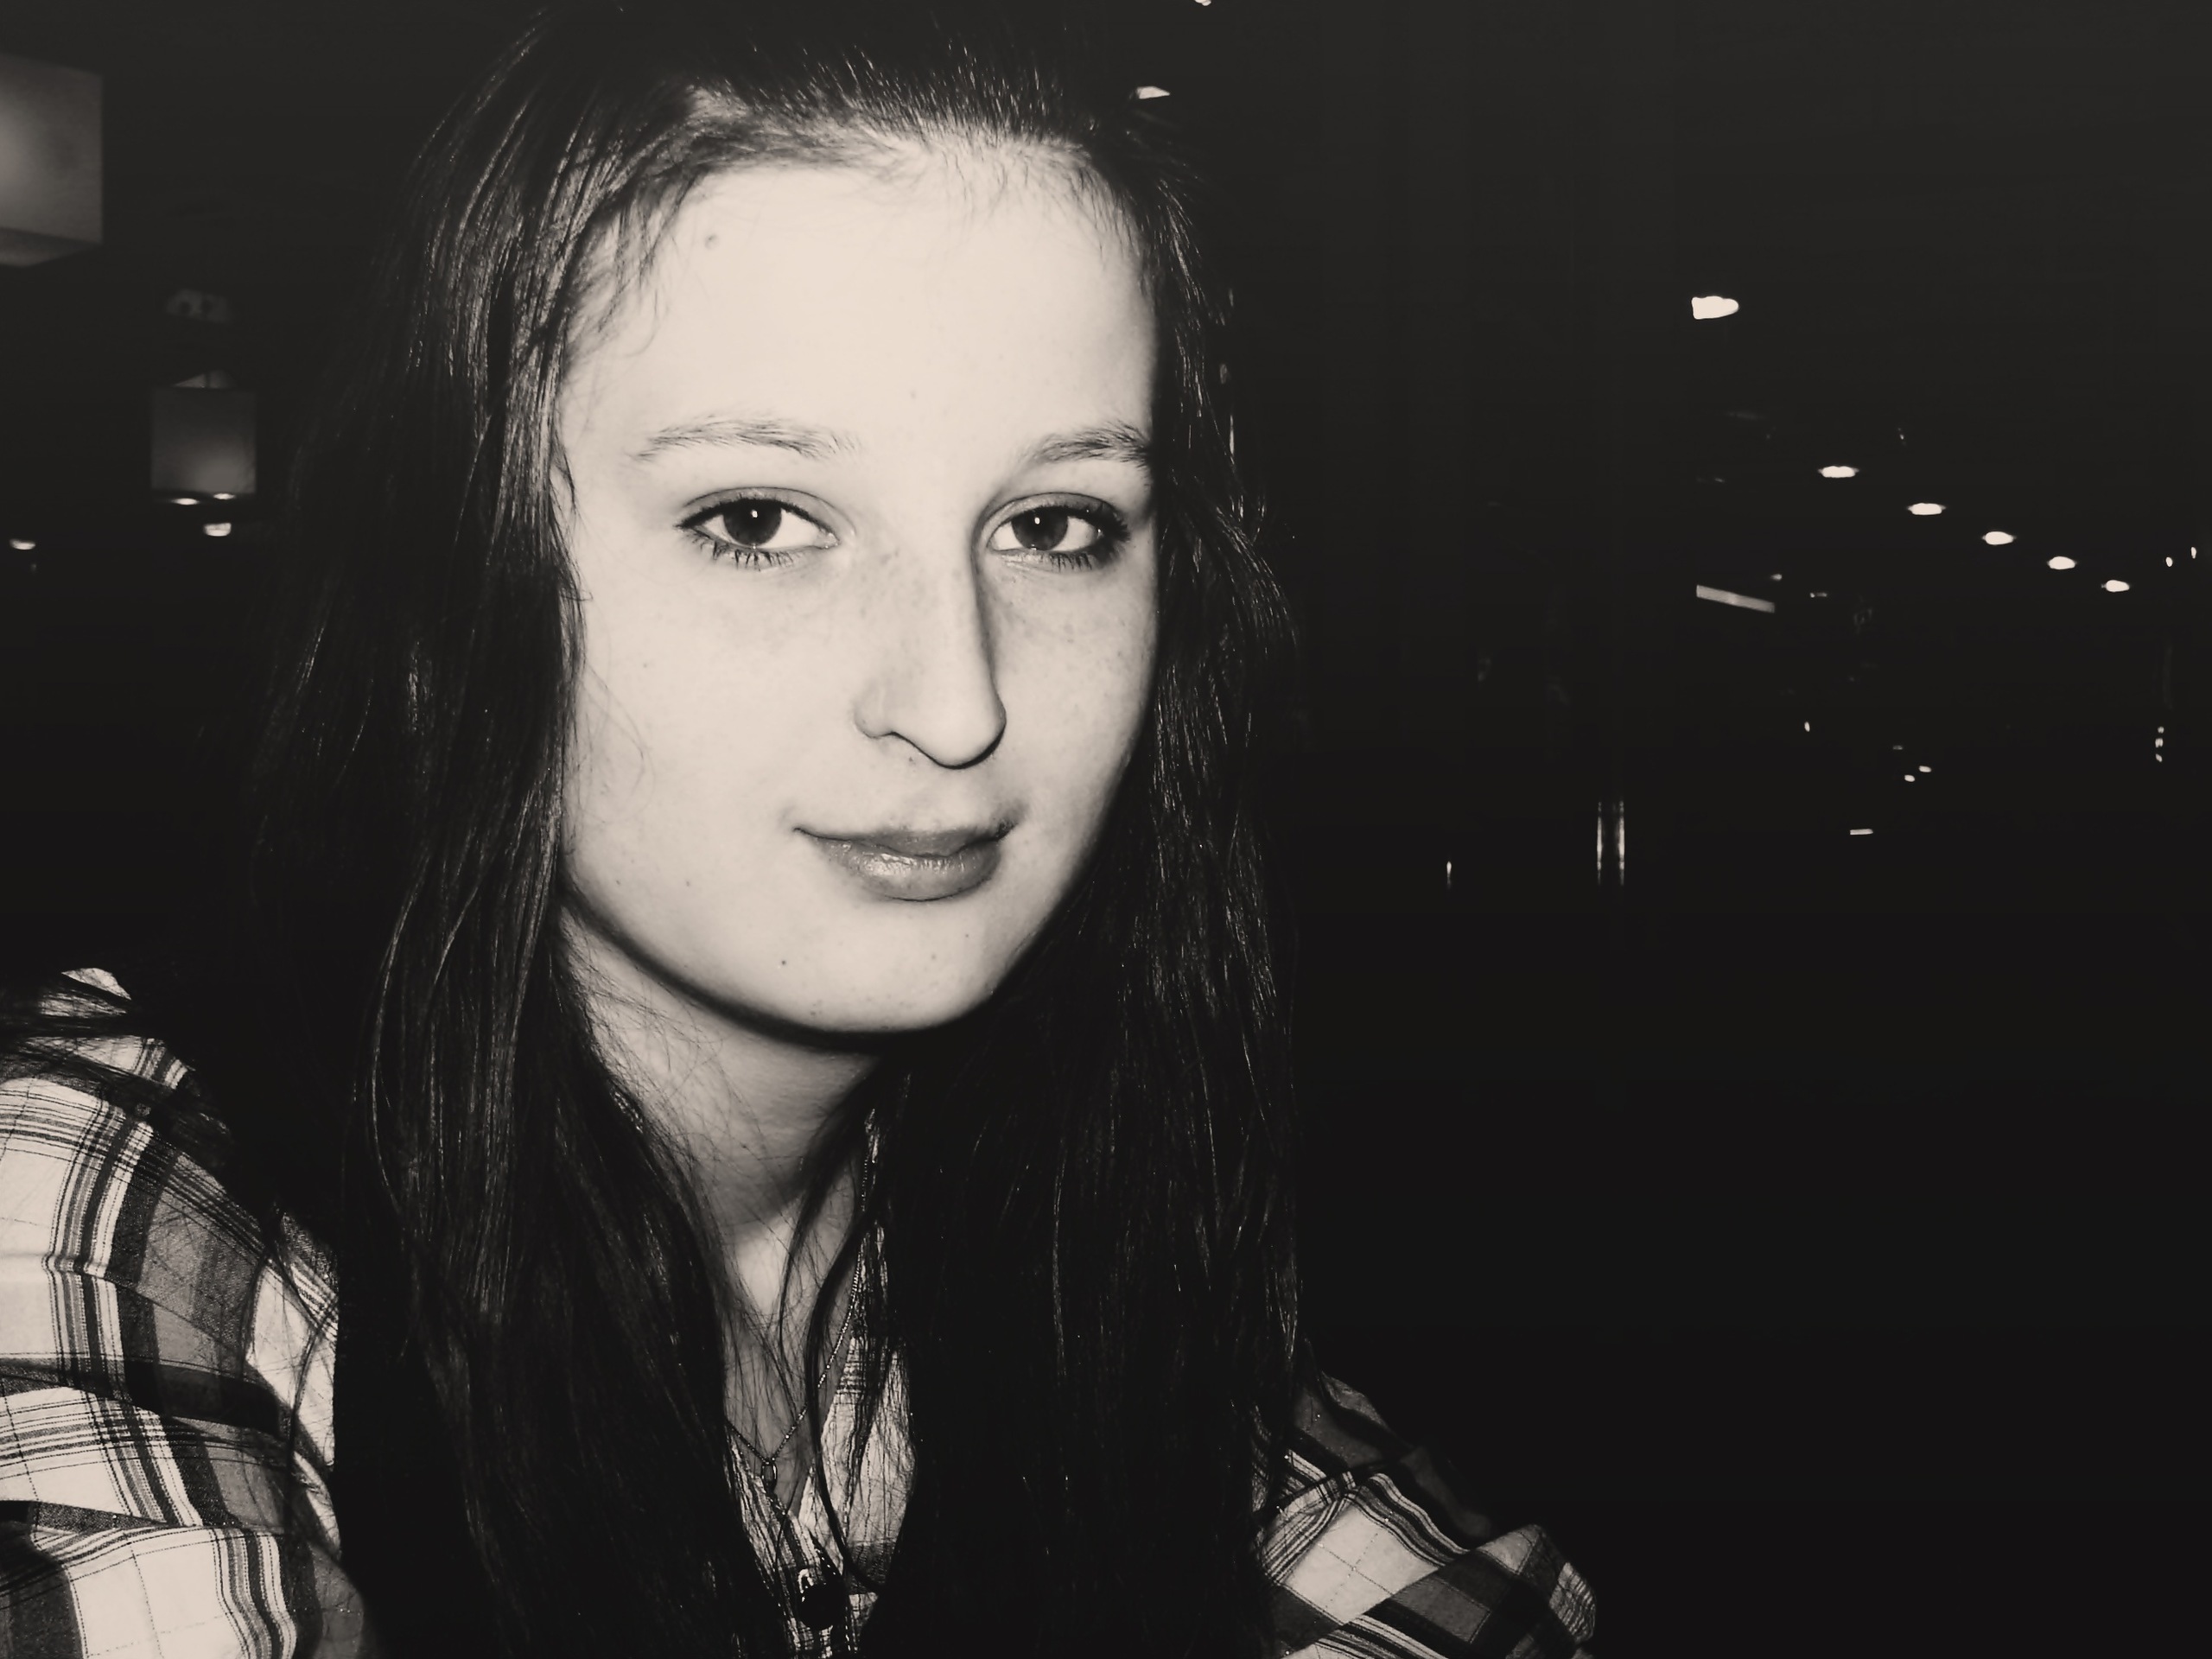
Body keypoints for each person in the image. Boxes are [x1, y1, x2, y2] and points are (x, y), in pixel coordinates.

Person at [0, 3, 1597, 1655]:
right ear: (454, 572)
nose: (957, 703)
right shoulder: (110, 1194)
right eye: (759, 519)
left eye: (1056, 526)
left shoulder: (1054, 1210)